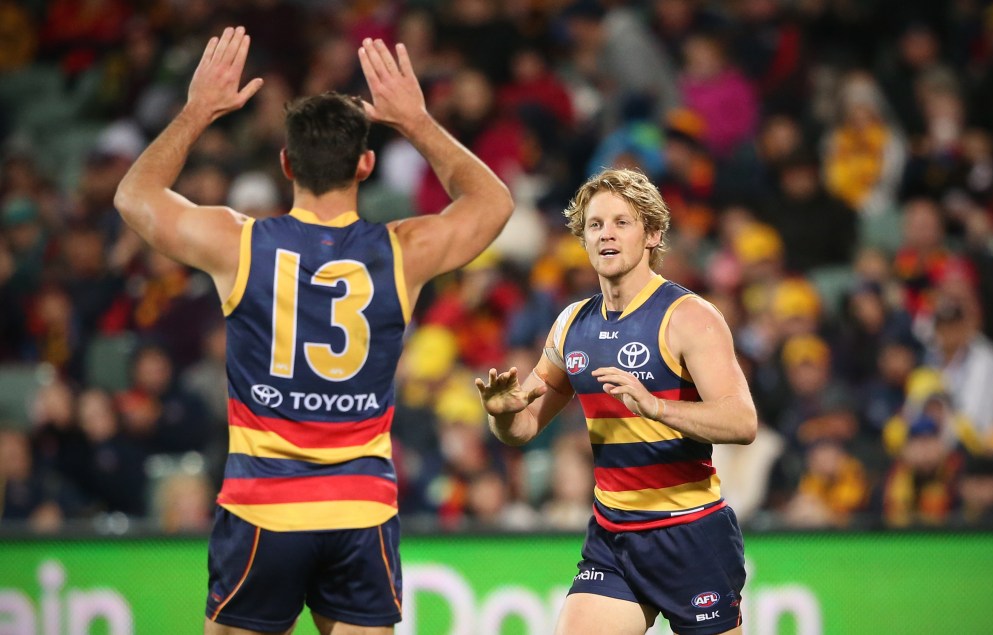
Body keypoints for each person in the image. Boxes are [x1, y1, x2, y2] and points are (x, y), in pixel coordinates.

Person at [114, 27, 513, 635]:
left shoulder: (240, 244)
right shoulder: (403, 252)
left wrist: (198, 111)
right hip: (360, 510)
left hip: (262, 510)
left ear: (285, 163)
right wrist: (417, 121)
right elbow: (493, 202)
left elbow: (134, 195)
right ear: (367, 163)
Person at [476, 168, 757, 635]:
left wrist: (658, 407)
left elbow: (742, 421)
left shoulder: (689, 317)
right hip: (614, 535)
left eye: (621, 222)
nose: (606, 233)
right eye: (595, 224)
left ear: (653, 233)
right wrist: (503, 415)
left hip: (690, 533)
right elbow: (523, 430)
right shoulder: (571, 325)